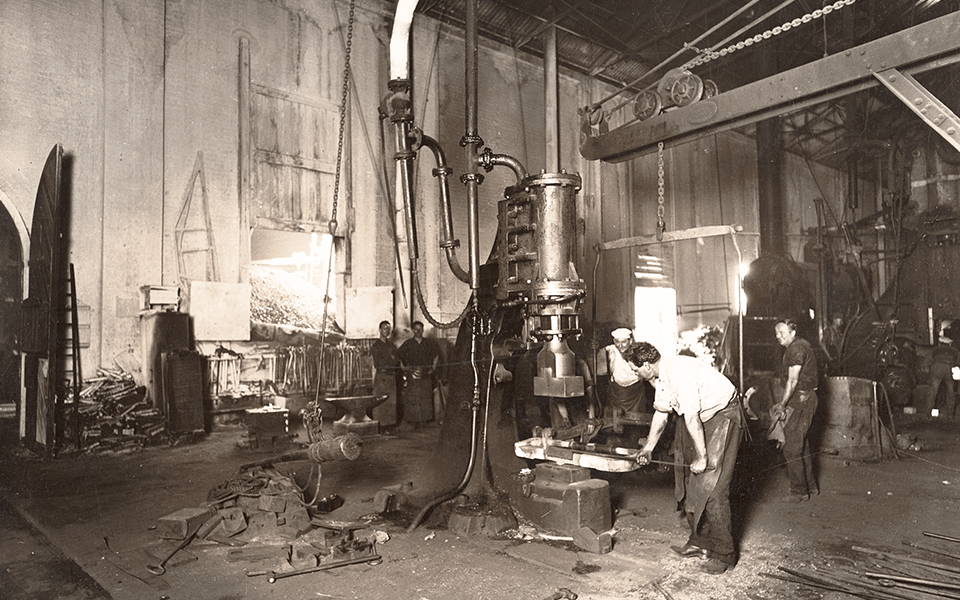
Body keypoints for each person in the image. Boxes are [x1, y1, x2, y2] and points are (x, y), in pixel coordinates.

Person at [625, 342, 742, 575]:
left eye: (636, 369)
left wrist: (702, 456)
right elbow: (661, 412)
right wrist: (648, 447)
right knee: (689, 483)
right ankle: (701, 542)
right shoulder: (662, 374)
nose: (634, 373)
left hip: (722, 417)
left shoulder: (678, 373)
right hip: (702, 417)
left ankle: (725, 553)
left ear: (647, 365)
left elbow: (691, 418)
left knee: (713, 488)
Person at [772, 318, 819, 503]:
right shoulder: (800, 346)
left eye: (782, 332)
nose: (778, 336)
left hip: (802, 400)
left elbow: (792, 381)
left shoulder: (796, 349)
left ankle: (798, 491)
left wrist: (782, 404)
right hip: (805, 398)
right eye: (776, 333)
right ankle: (811, 487)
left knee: (791, 446)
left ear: (792, 332)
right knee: (802, 444)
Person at [398, 321, 439, 429]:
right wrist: (404, 368)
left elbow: (436, 356)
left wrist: (433, 368)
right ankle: (413, 421)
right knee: (413, 397)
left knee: (425, 397)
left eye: (420, 329)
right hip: (413, 374)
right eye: (416, 329)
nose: (418, 331)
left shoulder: (428, 343)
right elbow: (398, 355)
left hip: (426, 375)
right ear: (413, 330)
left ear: (423, 329)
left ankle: (424, 420)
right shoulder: (408, 343)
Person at [597, 328, 647, 414]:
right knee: (615, 419)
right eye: (617, 341)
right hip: (617, 394)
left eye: (623, 342)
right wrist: (596, 348)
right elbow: (597, 361)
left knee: (636, 419)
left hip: (635, 393)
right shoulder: (611, 350)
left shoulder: (637, 351)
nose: (620, 345)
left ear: (630, 341)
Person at [370, 320, 403, 427]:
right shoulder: (376, 346)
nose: (386, 331)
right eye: (384, 328)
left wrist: (395, 361)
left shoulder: (391, 345)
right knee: (380, 402)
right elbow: (378, 363)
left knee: (391, 402)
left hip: (391, 377)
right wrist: (391, 360)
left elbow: (397, 359)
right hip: (381, 377)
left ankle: (389, 426)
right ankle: (380, 426)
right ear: (380, 330)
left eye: (388, 329)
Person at [925, 334, 960, 417]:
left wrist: (928, 371)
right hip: (949, 369)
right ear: (949, 344)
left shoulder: (935, 349)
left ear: (940, 343)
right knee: (950, 392)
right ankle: (951, 415)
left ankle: (928, 415)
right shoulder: (955, 351)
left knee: (932, 392)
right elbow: (958, 363)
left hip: (936, 368)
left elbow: (927, 361)